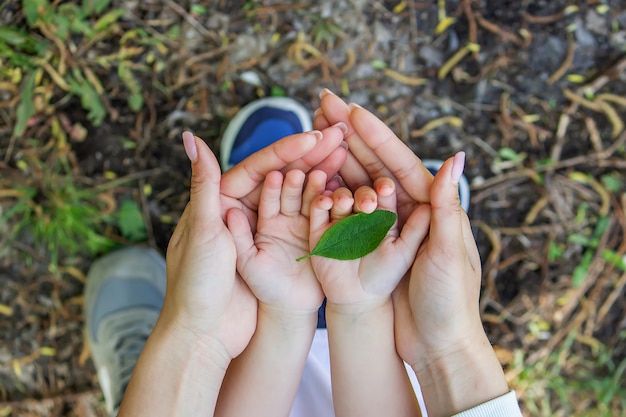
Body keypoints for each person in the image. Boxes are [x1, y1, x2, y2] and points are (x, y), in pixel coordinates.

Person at [84, 90, 523, 416]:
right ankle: (348, 302)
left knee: (189, 373)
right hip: (382, 382)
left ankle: (181, 381)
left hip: (238, 391)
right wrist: (435, 344)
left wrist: (196, 341)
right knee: (368, 215)